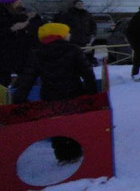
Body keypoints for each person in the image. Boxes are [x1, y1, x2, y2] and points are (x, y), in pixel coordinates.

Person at [13, 23, 98, 165]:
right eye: (67, 32)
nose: (69, 35)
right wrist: (92, 94)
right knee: (75, 124)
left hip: (50, 96)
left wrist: (20, 97)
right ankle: (76, 152)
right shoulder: (73, 50)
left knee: (56, 125)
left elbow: (28, 77)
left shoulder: (38, 53)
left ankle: (62, 155)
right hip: (74, 93)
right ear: (61, 35)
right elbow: (87, 74)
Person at [0, 0, 35, 87]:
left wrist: (28, 19)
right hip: (5, 53)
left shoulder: (17, 12)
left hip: (18, 52)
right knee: (4, 79)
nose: (20, 1)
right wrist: (12, 29)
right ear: (11, 0)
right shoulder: (3, 14)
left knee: (25, 77)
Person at [54, 0, 97, 65]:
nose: (80, 5)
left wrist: (93, 33)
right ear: (74, 5)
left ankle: (87, 65)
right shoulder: (68, 14)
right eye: (78, 4)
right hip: (73, 38)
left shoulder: (87, 14)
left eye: (81, 4)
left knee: (86, 53)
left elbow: (93, 24)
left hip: (85, 38)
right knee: (74, 53)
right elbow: (63, 25)